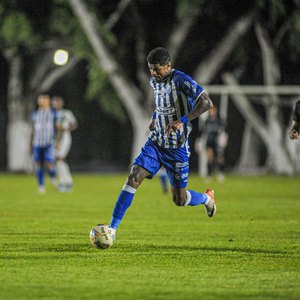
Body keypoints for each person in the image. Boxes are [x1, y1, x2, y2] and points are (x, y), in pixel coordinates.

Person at [107, 47, 216, 242]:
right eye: (150, 69)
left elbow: (206, 103)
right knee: (134, 176)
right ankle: (112, 229)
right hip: (156, 142)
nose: (153, 73)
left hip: (177, 148)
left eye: (157, 69)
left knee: (179, 200)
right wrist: (155, 117)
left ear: (168, 66)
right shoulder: (154, 81)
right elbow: (163, 103)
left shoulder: (181, 80)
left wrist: (182, 120)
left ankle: (207, 198)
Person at [31, 94, 61, 193]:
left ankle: (52, 176)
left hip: (49, 143)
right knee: (38, 164)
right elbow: (33, 129)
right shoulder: (35, 114)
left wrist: (58, 141)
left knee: (49, 163)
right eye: (40, 99)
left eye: (44, 99)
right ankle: (41, 185)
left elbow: (58, 128)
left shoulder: (53, 113)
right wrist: (30, 142)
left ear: (48, 101)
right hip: (37, 142)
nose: (41, 101)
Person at [52, 96, 78, 192]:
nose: (56, 104)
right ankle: (65, 181)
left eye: (58, 102)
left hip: (65, 137)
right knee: (59, 159)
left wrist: (68, 129)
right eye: (55, 102)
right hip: (56, 138)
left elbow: (74, 124)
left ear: (62, 103)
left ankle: (66, 182)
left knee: (60, 158)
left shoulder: (66, 113)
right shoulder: (53, 114)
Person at [195, 106, 228, 182]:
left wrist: (224, 138)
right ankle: (209, 175)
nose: (212, 112)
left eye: (213, 111)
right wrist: (198, 141)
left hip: (217, 140)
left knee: (219, 157)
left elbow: (225, 130)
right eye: (211, 111)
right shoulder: (207, 121)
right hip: (209, 140)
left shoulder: (219, 121)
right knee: (209, 158)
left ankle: (221, 173)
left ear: (216, 111)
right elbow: (201, 131)